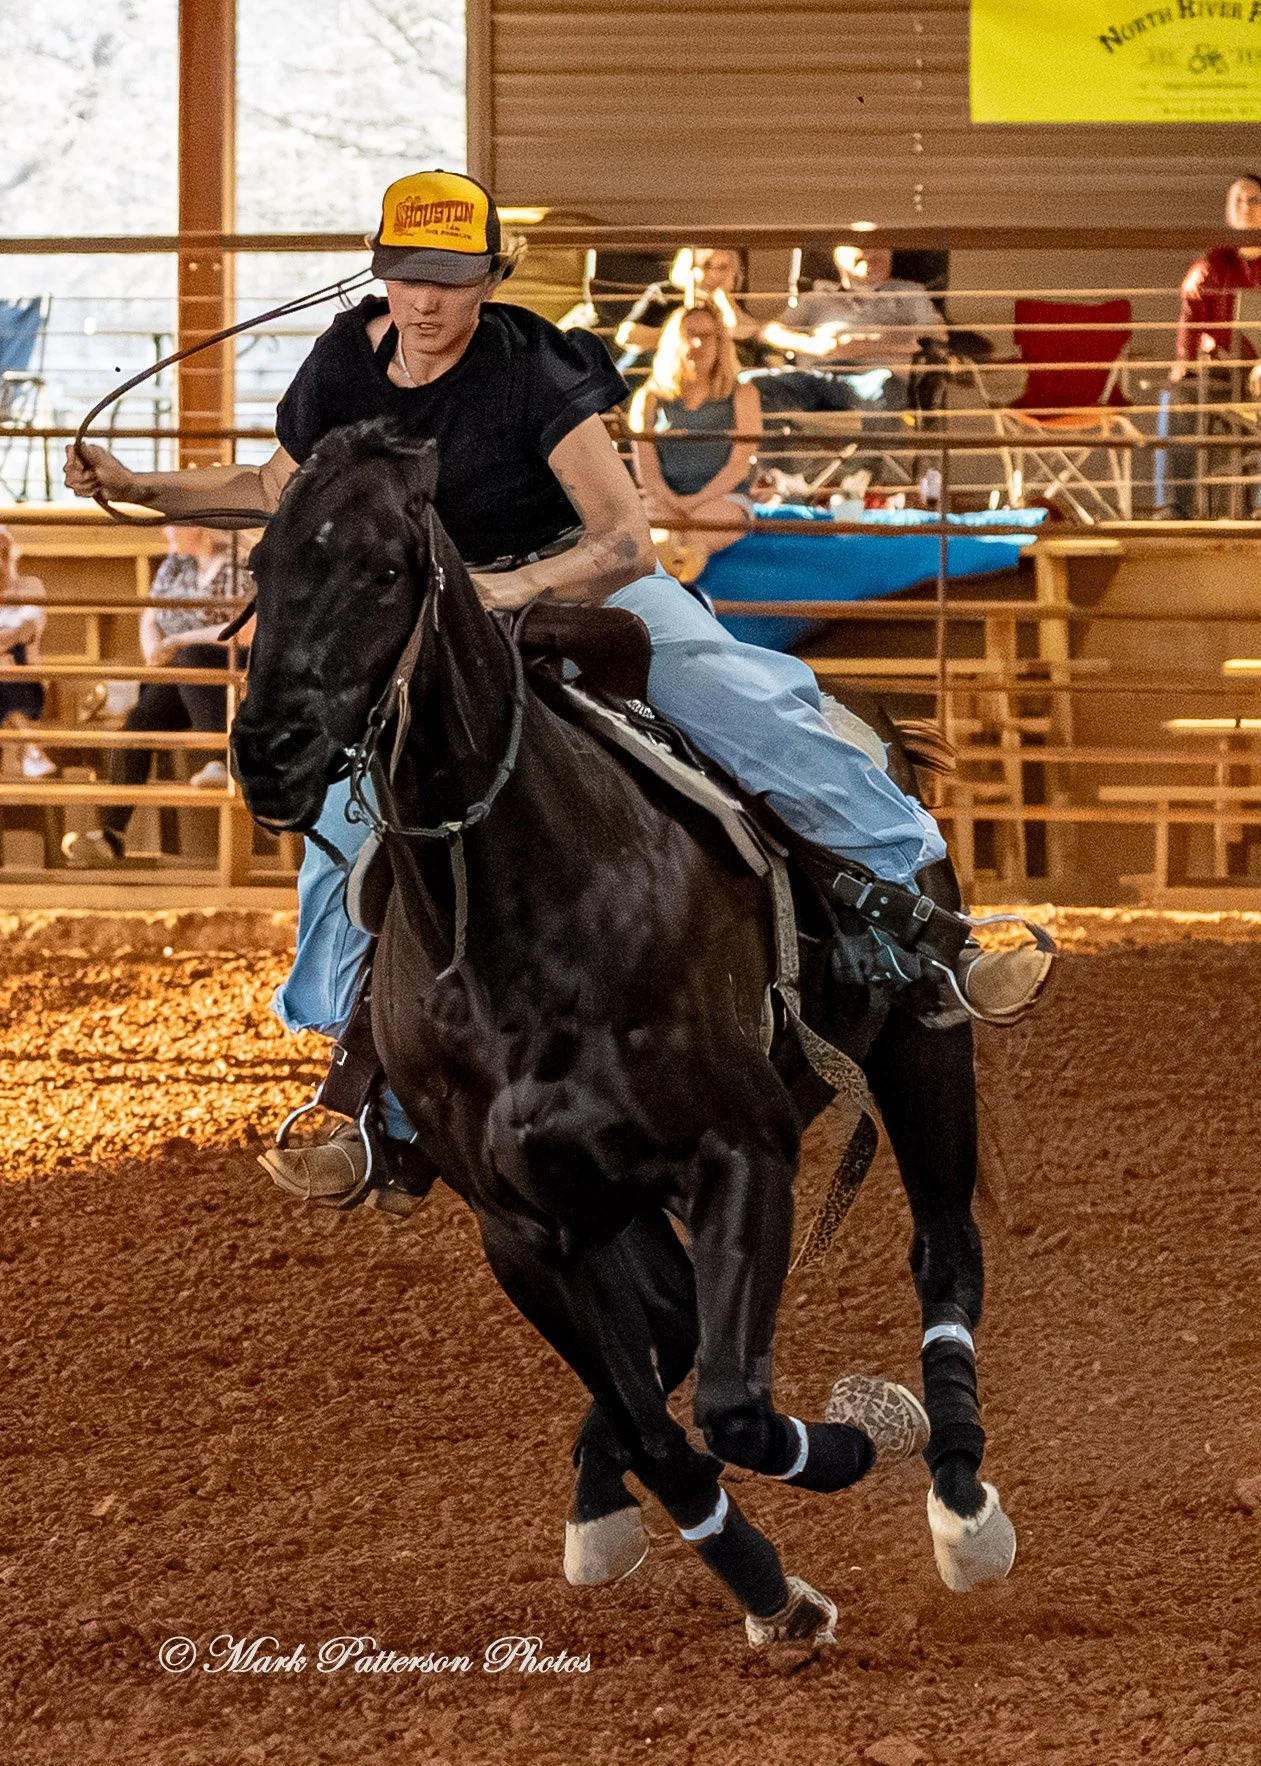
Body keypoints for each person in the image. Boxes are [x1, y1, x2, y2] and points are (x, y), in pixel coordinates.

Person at [64, 168, 1052, 1194]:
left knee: (740, 703)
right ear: (382, 273)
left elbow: (624, 537)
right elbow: (274, 488)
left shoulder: (532, 366)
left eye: (450, 278)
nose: (428, 300)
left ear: (491, 279)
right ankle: (366, 1087)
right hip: (435, 620)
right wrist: (140, 484)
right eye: (408, 276)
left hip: (574, 580)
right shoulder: (340, 370)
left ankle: (927, 925)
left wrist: (507, 588)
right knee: (350, 817)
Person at [61, 526, 253, 867]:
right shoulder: (175, 565)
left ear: (198, 526)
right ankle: (112, 832)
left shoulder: (242, 563)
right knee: (141, 719)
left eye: (174, 524)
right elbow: (151, 613)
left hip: (234, 663)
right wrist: (155, 653)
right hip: (183, 671)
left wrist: (179, 643)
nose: (167, 532)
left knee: (191, 659)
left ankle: (222, 760)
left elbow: (249, 628)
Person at [629, 303, 761, 582]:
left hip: (722, 498)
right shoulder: (649, 396)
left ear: (721, 343)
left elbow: (739, 463)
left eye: (709, 335)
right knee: (663, 541)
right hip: (662, 497)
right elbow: (646, 468)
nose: (699, 343)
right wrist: (672, 501)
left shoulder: (743, 393)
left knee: (695, 540)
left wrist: (696, 502)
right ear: (673, 340)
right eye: (690, 334)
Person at [1159, 174, 1261, 519]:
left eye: (1254, 200)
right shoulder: (1211, 266)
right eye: (1237, 201)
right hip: (1221, 377)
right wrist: (1185, 362)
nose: (1245, 207)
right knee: (1177, 399)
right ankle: (1175, 506)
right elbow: (1191, 320)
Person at [615, 247, 763, 381]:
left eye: (723, 268)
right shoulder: (666, 294)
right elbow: (626, 335)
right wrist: (680, 338)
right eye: (707, 265)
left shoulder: (731, 306)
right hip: (650, 381)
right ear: (687, 269)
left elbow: (748, 333)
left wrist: (726, 307)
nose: (715, 275)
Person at [0, 527, 55, 781]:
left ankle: (30, 747)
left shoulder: (31, 587)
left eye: (3, 554)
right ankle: (31, 746)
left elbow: (27, 630)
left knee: (15, 654)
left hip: (25, 682)